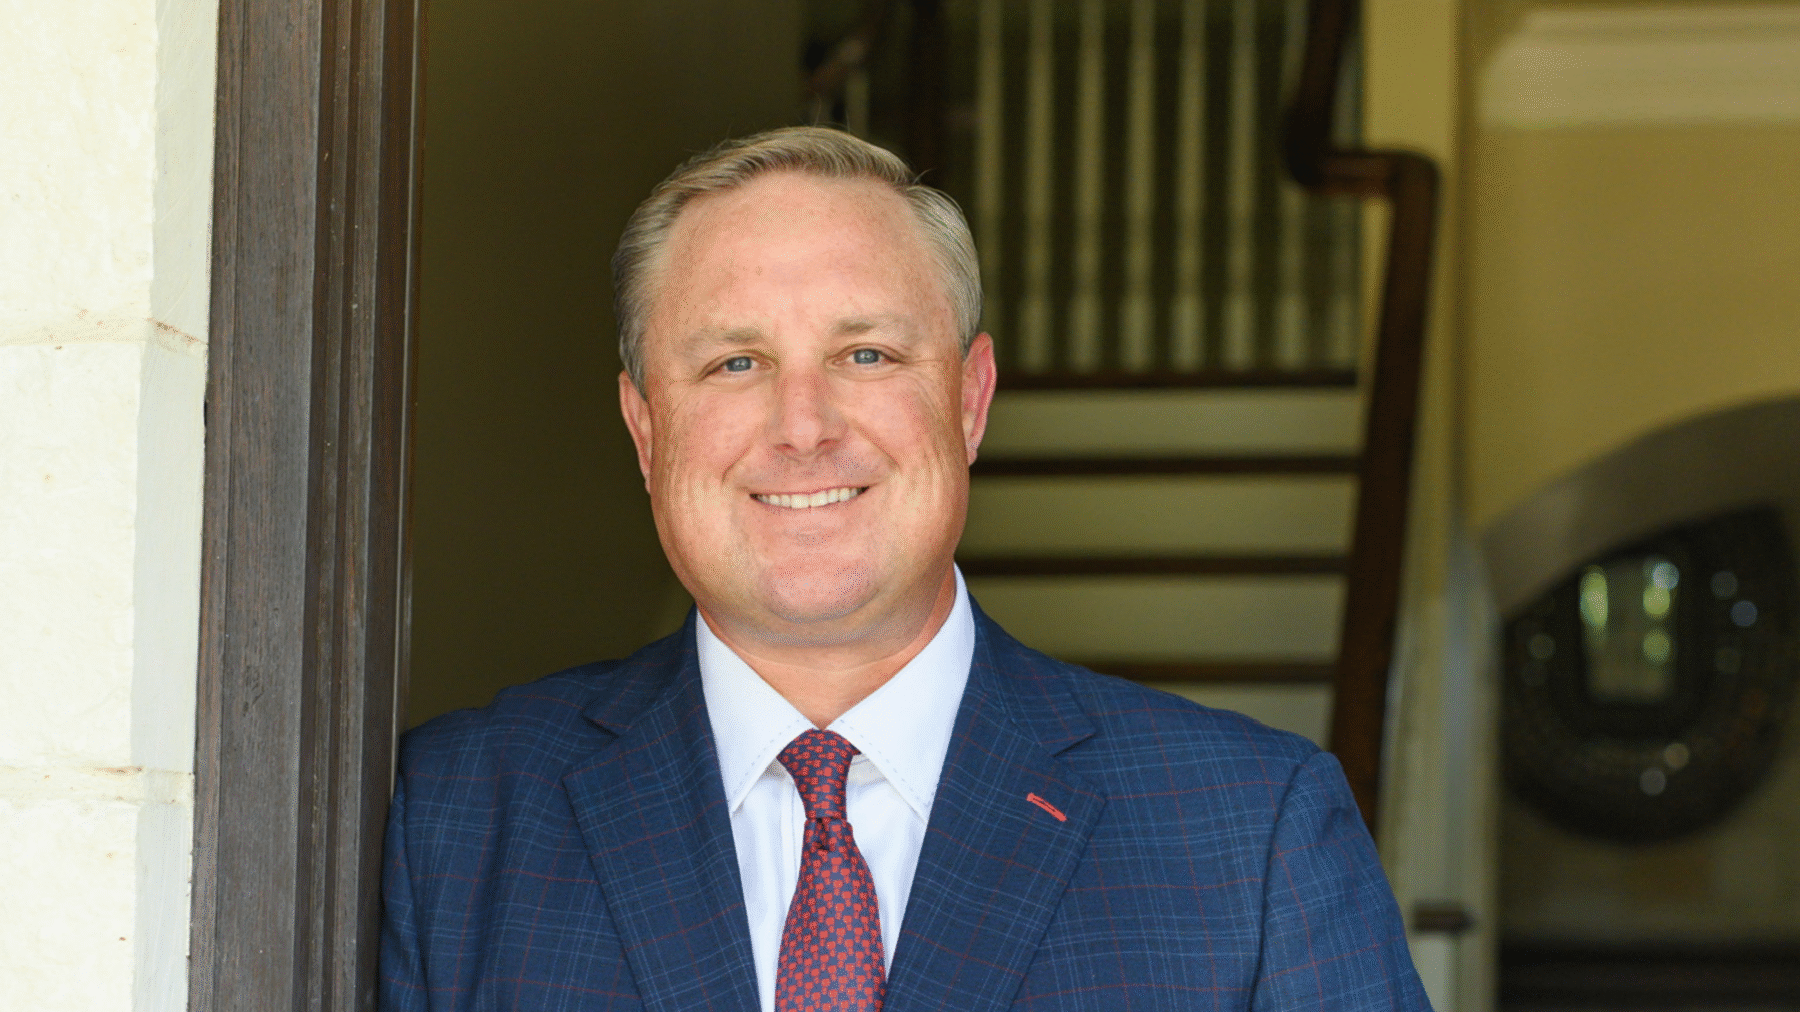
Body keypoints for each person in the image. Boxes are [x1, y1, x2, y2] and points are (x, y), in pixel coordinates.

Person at [380, 126, 1430, 1012]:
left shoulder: (1252, 833)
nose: (803, 427)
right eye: (734, 362)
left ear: (970, 402)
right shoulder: (450, 816)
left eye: (867, 354)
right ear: (646, 429)